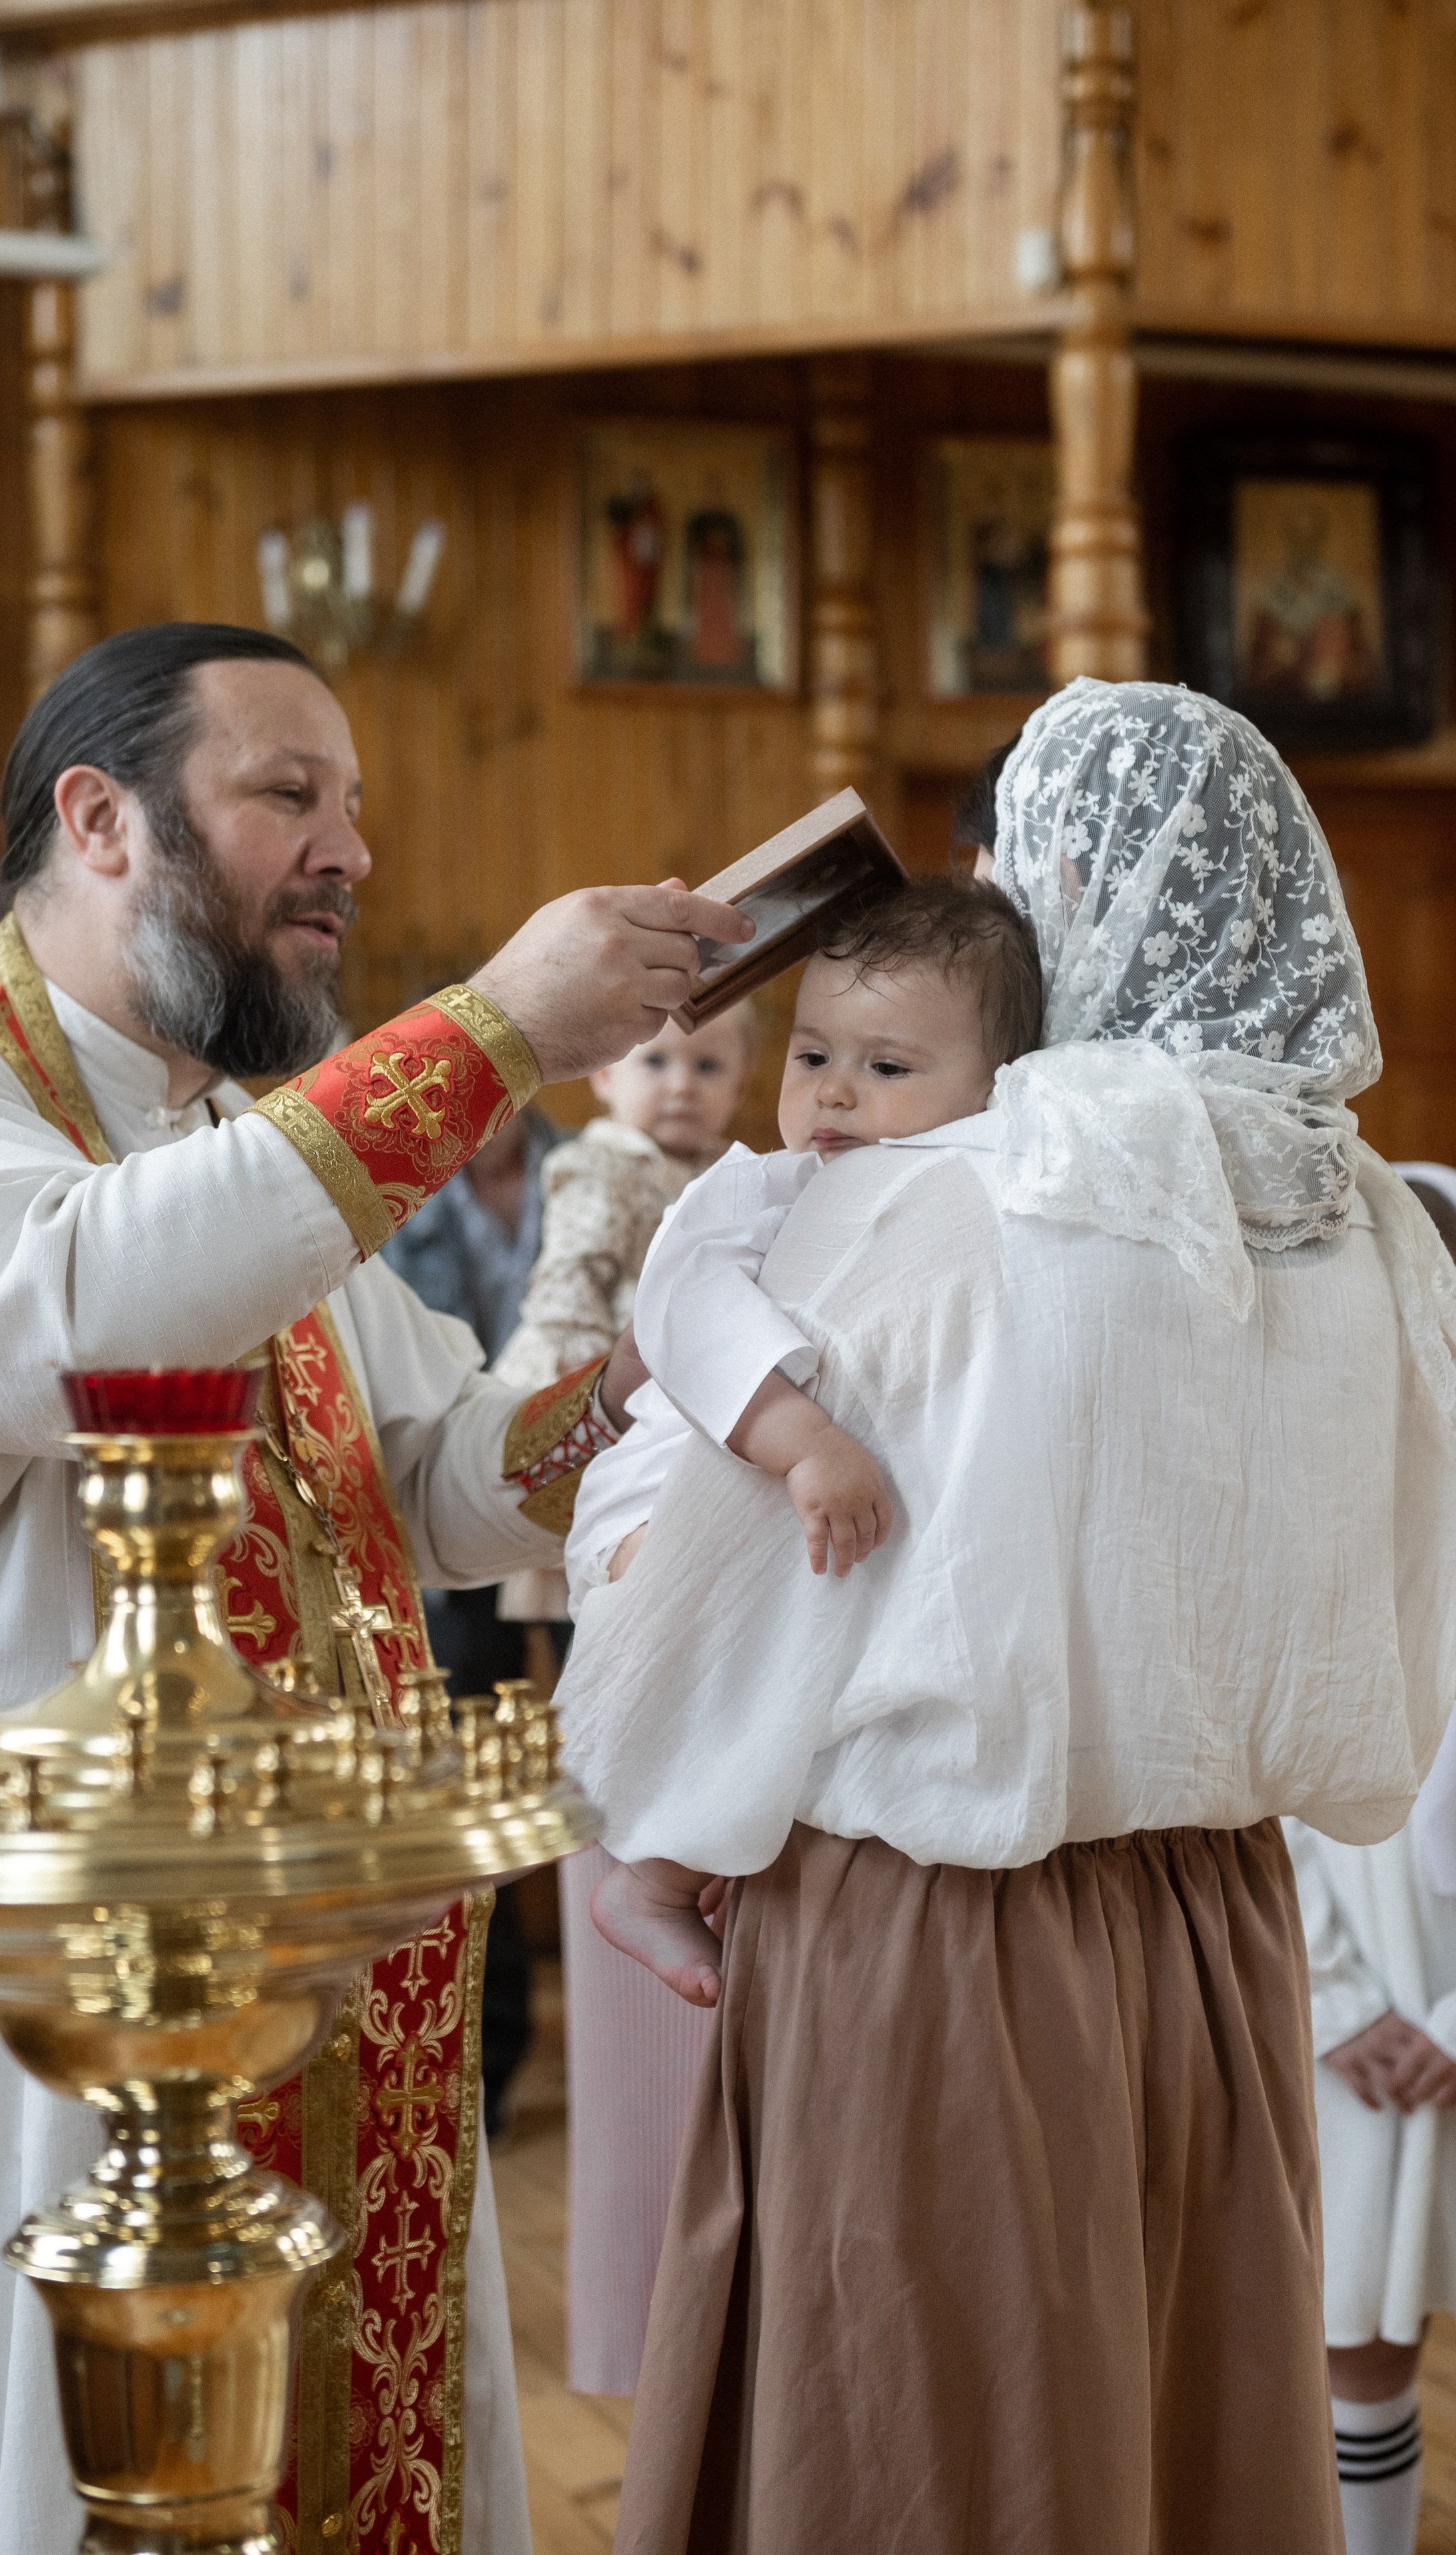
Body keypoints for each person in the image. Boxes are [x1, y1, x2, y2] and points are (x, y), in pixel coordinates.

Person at [0, 620, 751, 2555]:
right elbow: (84, 1318)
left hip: (309, 1984)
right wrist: (484, 1039)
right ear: (100, 819)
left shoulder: (228, 1139)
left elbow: (432, 1473)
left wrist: (656, 1380)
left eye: (354, 803)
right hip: (26, 2005)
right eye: (289, 793)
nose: (348, 850)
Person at [556, 678, 1456, 2555]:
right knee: (1166, 2447)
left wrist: (637, 1736)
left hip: (937, 1937)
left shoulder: (949, 1206)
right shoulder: (1371, 1222)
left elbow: (702, 1622)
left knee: (932, 2462)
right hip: (1215, 1927)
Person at [573, 877, 1043, 2006]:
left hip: (791, 1500)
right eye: (814, 1056)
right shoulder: (758, 1193)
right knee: (735, 1641)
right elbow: (685, 1318)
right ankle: (649, 1877)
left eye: (887, 1068)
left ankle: (685, 1863)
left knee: (796, 1679)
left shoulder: (966, 1207)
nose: (833, 1091)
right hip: (663, 1489)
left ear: (995, 1092)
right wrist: (804, 1444)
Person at [494, 1002, 756, 2398]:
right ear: (603, 1076)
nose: (681, 1086)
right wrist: (566, 1444)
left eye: (710, 1063)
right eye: (655, 1061)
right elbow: (561, 1316)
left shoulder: (732, 1178)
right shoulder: (600, 1172)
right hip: (612, 1483)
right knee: (619, 1732)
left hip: (693, 1483)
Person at [1285, 1156, 1456, 2555]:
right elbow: (1237, 1784)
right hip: (1350, 1988)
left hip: (1446, 1995)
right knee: (1357, 2321)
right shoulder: (1284, 1516)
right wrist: (1338, 2000)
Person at [382, 1099, 565, 2134]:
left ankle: (638, 2034)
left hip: (574, 1491)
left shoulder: (589, 1165)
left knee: (617, 1750)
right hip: (453, 1516)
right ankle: (483, 2064)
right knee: (467, 1790)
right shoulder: (395, 1195)